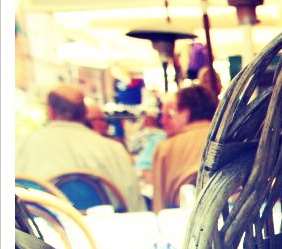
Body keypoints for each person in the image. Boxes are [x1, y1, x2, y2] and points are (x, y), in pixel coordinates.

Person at [15, 84, 145, 212]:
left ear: (51, 111)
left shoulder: (22, 146)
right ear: (85, 112)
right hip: (101, 225)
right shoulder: (114, 149)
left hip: (42, 224)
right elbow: (134, 205)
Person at [150, 84, 218, 212]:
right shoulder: (233, 138)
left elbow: (160, 206)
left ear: (186, 113)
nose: (163, 121)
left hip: (184, 218)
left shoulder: (166, 148)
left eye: (170, 114)